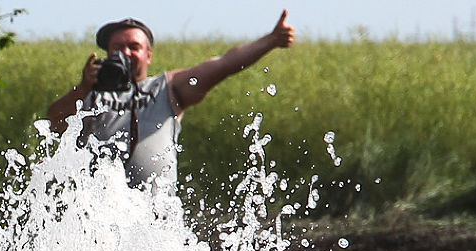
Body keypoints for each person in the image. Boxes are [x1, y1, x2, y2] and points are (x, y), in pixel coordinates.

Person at [46, 11, 299, 190]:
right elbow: (54, 124)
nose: (125, 53)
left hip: (156, 221)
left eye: (133, 46)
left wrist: (270, 41)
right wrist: (83, 88)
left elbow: (223, 64)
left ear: (148, 55)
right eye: (117, 48)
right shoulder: (90, 95)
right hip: (100, 218)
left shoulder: (167, 88)